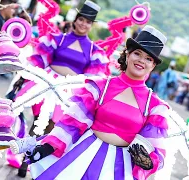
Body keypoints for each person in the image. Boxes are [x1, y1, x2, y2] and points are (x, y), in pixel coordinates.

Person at [11, 25, 170, 180]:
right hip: (81, 155)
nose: (141, 60)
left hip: (120, 168)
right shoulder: (100, 86)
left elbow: (154, 146)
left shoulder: (155, 106)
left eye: (148, 58)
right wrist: (48, 146)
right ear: (128, 55)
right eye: (137, 53)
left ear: (153, 66)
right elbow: (73, 122)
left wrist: (148, 161)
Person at [11, 1, 110, 176]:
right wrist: (25, 75)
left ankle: (36, 166)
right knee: (37, 124)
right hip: (47, 84)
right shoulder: (58, 39)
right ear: (75, 19)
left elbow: (94, 78)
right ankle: (24, 163)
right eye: (81, 19)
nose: (83, 24)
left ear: (91, 25)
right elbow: (39, 59)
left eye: (88, 21)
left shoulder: (94, 51)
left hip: (69, 92)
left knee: (53, 130)